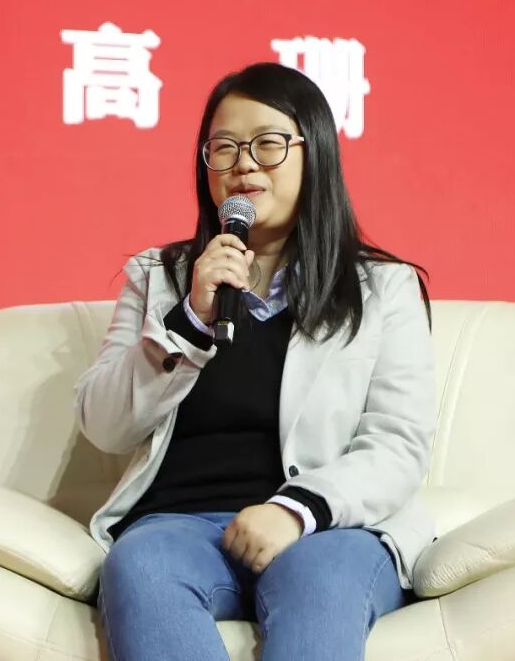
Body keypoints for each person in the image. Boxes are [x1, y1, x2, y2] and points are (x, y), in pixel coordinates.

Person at [74, 62, 436, 661]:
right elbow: (105, 425)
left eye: (268, 145)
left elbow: (397, 445)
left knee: (321, 580)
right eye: (224, 148)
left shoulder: (381, 288)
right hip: (180, 527)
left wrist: (295, 510)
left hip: (328, 529)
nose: (243, 165)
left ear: (314, 154)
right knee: (144, 564)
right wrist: (190, 319)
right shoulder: (159, 277)